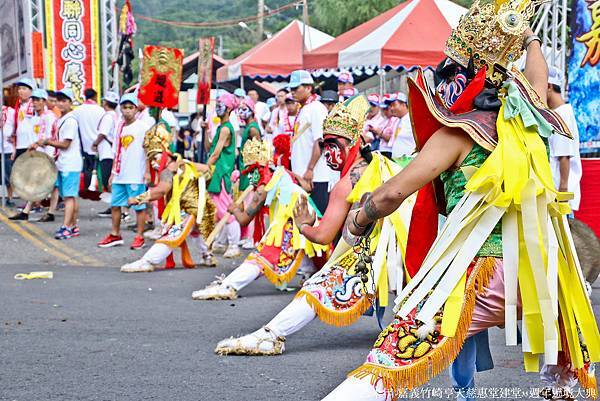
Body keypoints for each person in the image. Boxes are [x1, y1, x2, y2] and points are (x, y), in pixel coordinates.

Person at [321, 9, 599, 399]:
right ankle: (469, 392)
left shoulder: (457, 135)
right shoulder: (527, 120)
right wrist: (528, 38)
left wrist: (358, 220)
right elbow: (536, 82)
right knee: (564, 376)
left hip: (483, 275)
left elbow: (391, 194)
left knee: (387, 363)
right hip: (542, 276)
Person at [211, 96, 415, 356]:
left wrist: (304, 226)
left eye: (333, 145)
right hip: (404, 255)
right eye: (325, 145)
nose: (328, 152)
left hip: (374, 256)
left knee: (317, 288)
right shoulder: (379, 165)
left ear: (352, 144)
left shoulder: (345, 184)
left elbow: (323, 235)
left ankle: (271, 335)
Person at [191, 138, 329, 300]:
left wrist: (234, 210)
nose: (250, 178)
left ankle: (229, 285)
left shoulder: (263, 188)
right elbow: (307, 187)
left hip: (292, 217)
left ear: (258, 170)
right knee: (305, 246)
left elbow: (243, 220)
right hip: (308, 213)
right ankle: (311, 276)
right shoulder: (283, 172)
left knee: (266, 254)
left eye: (250, 173)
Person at [119, 122, 217, 273]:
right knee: (194, 230)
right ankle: (207, 255)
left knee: (171, 234)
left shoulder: (169, 169)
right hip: (195, 206)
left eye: (154, 157)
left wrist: (137, 199)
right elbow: (207, 170)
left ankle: (148, 261)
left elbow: (161, 190)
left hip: (187, 208)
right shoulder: (182, 163)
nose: (152, 162)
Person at [97, 94, 148, 250]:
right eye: (124, 108)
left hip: (136, 174)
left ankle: (140, 236)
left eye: (130, 108)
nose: (127, 111)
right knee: (115, 205)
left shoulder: (142, 127)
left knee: (139, 207)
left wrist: (147, 172)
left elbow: (148, 150)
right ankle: (115, 234)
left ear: (136, 109)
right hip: (120, 174)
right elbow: (116, 152)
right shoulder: (119, 127)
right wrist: (113, 173)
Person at [31, 88, 81, 240]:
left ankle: (66, 227)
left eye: (64, 100)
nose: (60, 103)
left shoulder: (70, 120)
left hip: (70, 164)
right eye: (59, 100)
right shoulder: (62, 119)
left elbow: (65, 144)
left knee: (69, 197)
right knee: (68, 196)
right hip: (63, 162)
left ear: (70, 103)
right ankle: (72, 226)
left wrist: (47, 141)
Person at [288, 70, 333, 215]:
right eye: (291, 88)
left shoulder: (317, 108)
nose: (292, 92)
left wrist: (310, 169)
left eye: (296, 88)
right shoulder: (304, 109)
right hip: (302, 177)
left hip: (315, 177)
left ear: (308, 88)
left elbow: (320, 141)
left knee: (317, 221)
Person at [10, 89, 57, 221]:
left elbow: (49, 137)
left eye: (38, 100)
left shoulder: (50, 117)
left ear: (44, 101)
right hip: (39, 155)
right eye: (34, 100)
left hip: (49, 155)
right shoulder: (36, 118)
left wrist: (38, 145)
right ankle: (28, 211)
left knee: (50, 185)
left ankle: (49, 212)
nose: (35, 103)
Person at [207, 93, 241, 258]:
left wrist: (205, 168)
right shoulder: (221, 127)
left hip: (221, 174)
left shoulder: (226, 128)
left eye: (221, 105)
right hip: (217, 173)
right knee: (217, 210)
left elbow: (216, 153)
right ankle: (221, 243)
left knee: (226, 211)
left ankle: (234, 245)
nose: (217, 108)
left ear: (228, 109)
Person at [546, 66, 582, 213]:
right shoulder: (559, 113)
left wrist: (562, 194)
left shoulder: (562, 114)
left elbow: (564, 156)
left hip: (559, 196)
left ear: (548, 86)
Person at [93, 92, 120, 217]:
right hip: (111, 152)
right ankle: (115, 206)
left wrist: (95, 143)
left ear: (106, 103)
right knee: (109, 180)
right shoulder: (116, 116)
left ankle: (115, 206)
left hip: (107, 153)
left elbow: (103, 133)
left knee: (107, 180)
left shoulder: (108, 116)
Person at [73, 88, 104, 190]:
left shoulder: (78, 110)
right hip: (98, 143)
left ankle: (86, 187)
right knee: (98, 167)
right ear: (95, 96)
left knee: (87, 167)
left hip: (83, 143)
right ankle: (97, 187)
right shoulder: (100, 110)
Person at [12, 78, 36, 160]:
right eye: (19, 89)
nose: (20, 91)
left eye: (24, 89)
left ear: (31, 91)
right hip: (20, 146)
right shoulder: (19, 106)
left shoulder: (35, 106)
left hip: (30, 146)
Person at [389, 92, 415, 160]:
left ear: (403, 105)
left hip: (408, 162)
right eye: (390, 106)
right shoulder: (398, 121)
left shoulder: (412, 119)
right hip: (398, 162)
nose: (391, 108)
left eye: (394, 105)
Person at [1, 103, 16, 206]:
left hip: (7, 149)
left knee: (8, 175)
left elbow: (16, 126)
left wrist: (14, 139)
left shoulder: (11, 111)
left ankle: (10, 198)